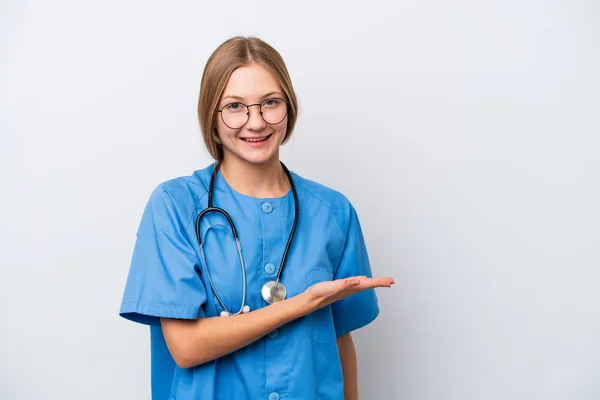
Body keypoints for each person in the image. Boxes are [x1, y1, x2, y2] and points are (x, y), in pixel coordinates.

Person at [119, 36, 394, 400]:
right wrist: (299, 305)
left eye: (270, 103)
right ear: (211, 117)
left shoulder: (333, 212)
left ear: (289, 107)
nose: (256, 122)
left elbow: (340, 341)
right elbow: (186, 347)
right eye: (235, 106)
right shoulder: (174, 205)